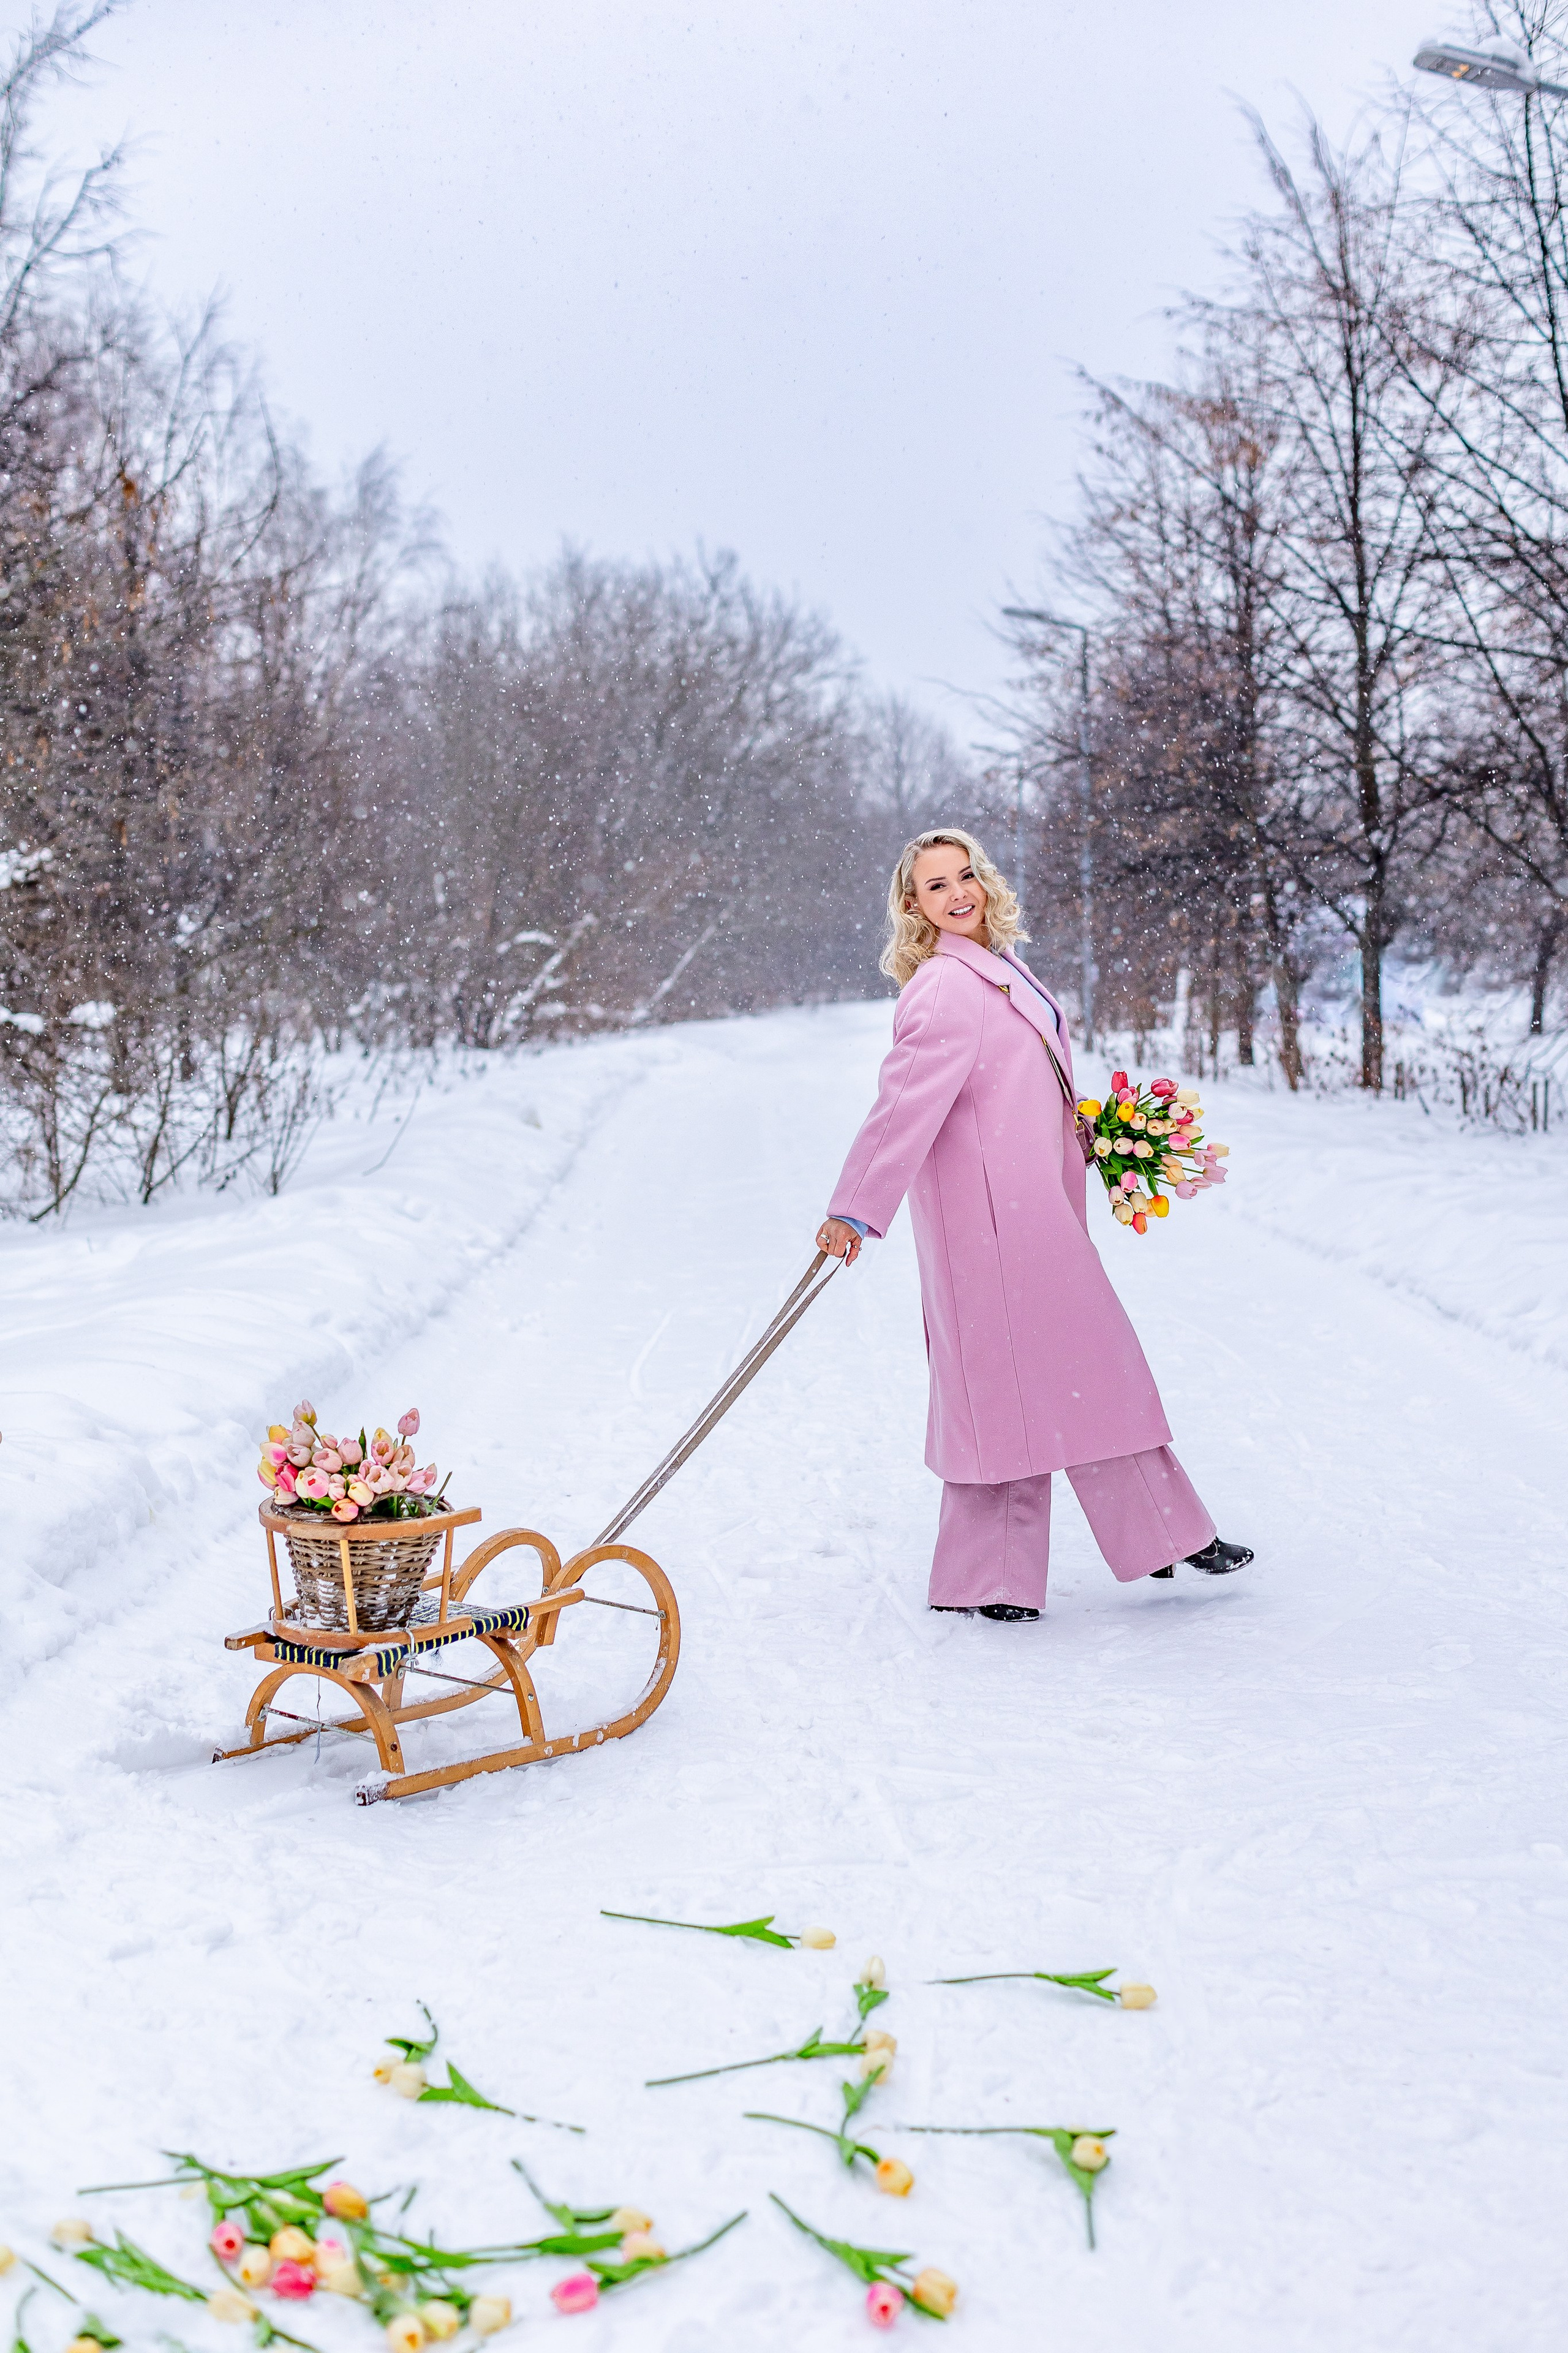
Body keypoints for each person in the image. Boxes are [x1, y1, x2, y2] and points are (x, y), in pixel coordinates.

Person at [817, 828, 1251, 1623]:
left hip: (1032, 1211)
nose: (958, 893)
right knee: (1011, 1390)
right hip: (986, 1225)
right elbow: (904, 1105)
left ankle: (1148, 1539)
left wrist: (1091, 1132)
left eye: (965, 875)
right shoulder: (943, 986)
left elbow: (1012, 1082)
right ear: (914, 906)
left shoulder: (1002, 964)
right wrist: (854, 1207)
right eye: (936, 885)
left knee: (1082, 1371)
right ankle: (1006, 1574)